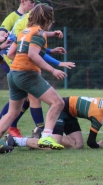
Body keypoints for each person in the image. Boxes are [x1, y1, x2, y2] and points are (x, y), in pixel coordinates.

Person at [0, 0, 75, 139]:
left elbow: (10, 53)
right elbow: (33, 55)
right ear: (47, 19)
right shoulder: (39, 34)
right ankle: (46, 138)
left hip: (13, 74)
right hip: (27, 74)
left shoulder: (24, 32)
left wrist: (23, 59)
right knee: (58, 103)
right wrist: (53, 70)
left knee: (12, 113)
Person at [5, 97, 103, 149]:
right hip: (60, 110)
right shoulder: (98, 116)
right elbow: (91, 142)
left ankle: (40, 136)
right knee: (52, 145)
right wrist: (98, 146)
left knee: (78, 145)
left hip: (70, 112)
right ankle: (16, 140)